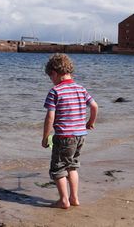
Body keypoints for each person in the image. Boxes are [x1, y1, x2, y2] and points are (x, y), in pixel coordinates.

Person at [41, 53, 99, 209]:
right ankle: (74, 198)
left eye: (50, 77)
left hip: (64, 137)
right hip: (80, 136)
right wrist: (90, 122)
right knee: (72, 166)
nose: (51, 80)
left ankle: (64, 200)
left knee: (58, 168)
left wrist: (45, 137)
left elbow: (50, 118)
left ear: (54, 73)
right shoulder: (81, 89)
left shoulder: (55, 91)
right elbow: (94, 106)